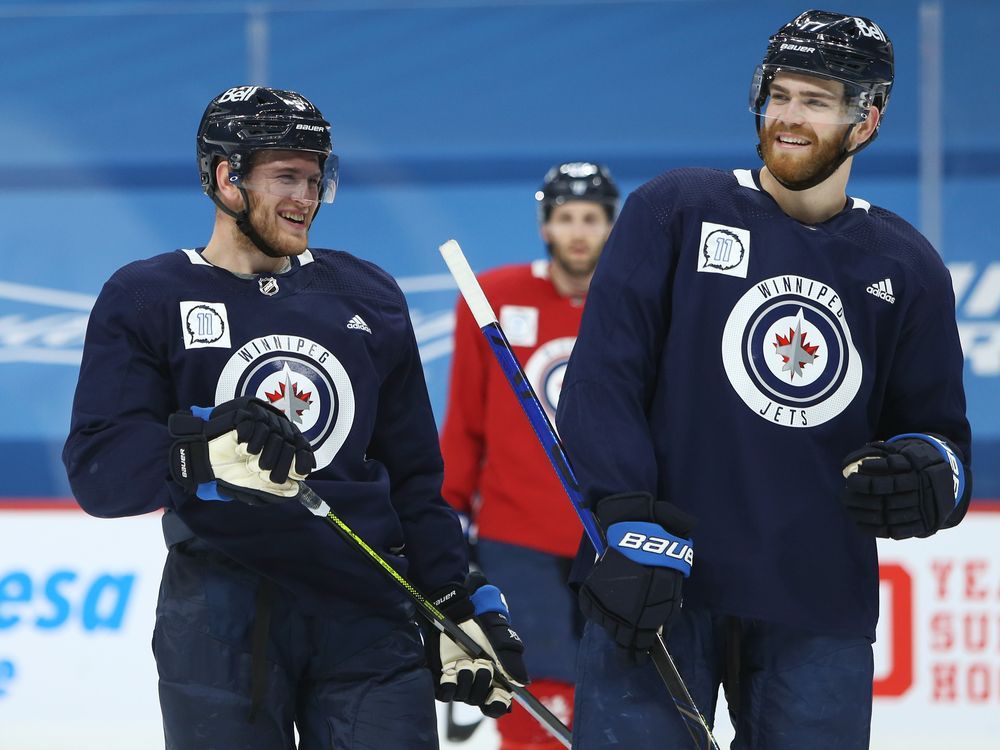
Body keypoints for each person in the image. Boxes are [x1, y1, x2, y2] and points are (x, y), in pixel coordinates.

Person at [62, 85, 527, 750]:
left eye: (315, 178)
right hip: (222, 617)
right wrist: (202, 452)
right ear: (226, 178)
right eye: (286, 176)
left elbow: (415, 481)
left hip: (367, 609)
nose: (306, 198)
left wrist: (458, 602)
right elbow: (98, 471)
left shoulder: (366, 293)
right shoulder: (146, 296)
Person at [555, 11, 972, 750]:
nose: (787, 117)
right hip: (660, 582)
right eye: (778, 94)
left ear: (866, 121)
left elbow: (937, 432)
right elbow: (601, 381)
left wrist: (930, 472)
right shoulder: (676, 210)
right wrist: (622, 517)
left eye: (814, 101)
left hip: (816, 600)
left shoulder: (907, 267)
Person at [440, 162, 618, 749]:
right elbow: (466, 420)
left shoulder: (634, 309)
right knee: (532, 690)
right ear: (545, 226)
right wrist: (449, 517)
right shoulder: (493, 297)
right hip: (515, 536)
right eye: (565, 217)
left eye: (590, 218)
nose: (578, 232)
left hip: (609, 536)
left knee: (613, 690)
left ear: (611, 226)